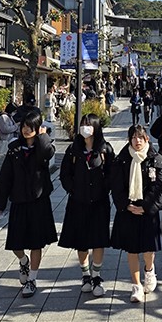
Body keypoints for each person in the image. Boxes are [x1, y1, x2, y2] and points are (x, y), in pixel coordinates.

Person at [0, 109, 56, 297]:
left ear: (37, 127)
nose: (26, 130)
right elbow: (5, 177)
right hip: (19, 200)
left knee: (37, 243)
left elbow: (48, 153)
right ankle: (23, 261)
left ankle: (32, 279)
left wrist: (43, 136)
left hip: (38, 201)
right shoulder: (15, 149)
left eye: (30, 127)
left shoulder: (43, 146)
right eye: (24, 126)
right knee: (15, 242)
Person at [110, 124, 162, 303]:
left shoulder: (156, 159)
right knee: (131, 249)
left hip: (147, 211)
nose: (137, 141)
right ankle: (136, 286)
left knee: (148, 249)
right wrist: (125, 205)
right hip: (128, 210)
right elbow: (116, 185)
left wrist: (146, 207)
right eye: (134, 138)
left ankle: (149, 271)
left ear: (147, 139)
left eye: (140, 138)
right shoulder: (122, 159)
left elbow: (160, 187)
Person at [59, 113, 113, 297]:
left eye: (89, 124)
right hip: (78, 201)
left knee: (98, 240)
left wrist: (104, 189)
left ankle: (97, 275)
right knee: (81, 241)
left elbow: (112, 173)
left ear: (97, 127)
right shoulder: (73, 150)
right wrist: (73, 189)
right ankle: (85, 275)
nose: (85, 128)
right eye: (83, 124)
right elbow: (64, 174)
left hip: (99, 202)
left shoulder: (105, 150)